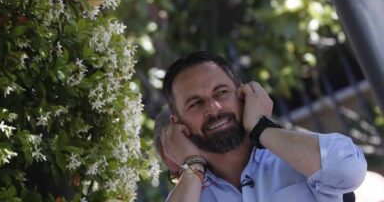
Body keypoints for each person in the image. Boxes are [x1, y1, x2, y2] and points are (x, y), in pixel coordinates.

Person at [155, 51, 367, 201]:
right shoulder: (193, 192)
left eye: (221, 92)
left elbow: (349, 171)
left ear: (243, 94)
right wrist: (191, 167)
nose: (213, 108)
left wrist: (261, 127)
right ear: (177, 123)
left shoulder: (295, 158)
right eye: (195, 103)